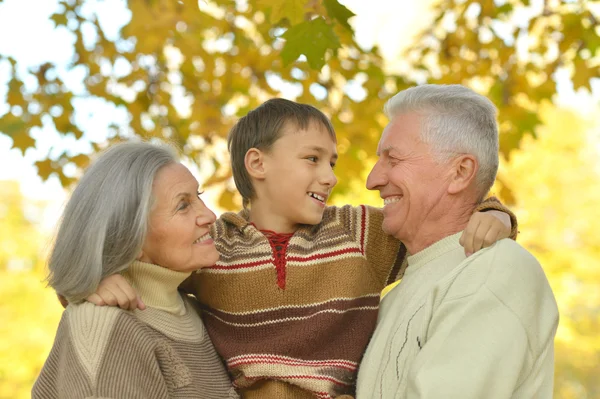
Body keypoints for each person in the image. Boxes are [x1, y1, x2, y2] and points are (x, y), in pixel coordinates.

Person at [90, 99, 517, 398]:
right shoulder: (213, 245)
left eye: (331, 162)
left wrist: (498, 215)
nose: (330, 176)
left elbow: (441, 213)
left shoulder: (357, 232)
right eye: (313, 159)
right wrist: (100, 280)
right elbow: (143, 269)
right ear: (257, 164)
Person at [356, 84, 559, 398]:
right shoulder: (394, 296)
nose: (373, 179)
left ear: (460, 172)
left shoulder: (493, 270)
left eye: (393, 160)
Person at [33, 142, 238, 399]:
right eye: (183, 206)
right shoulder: (102, 323)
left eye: (199, 196)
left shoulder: (200, 310)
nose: (209, 215)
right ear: (132, 236)